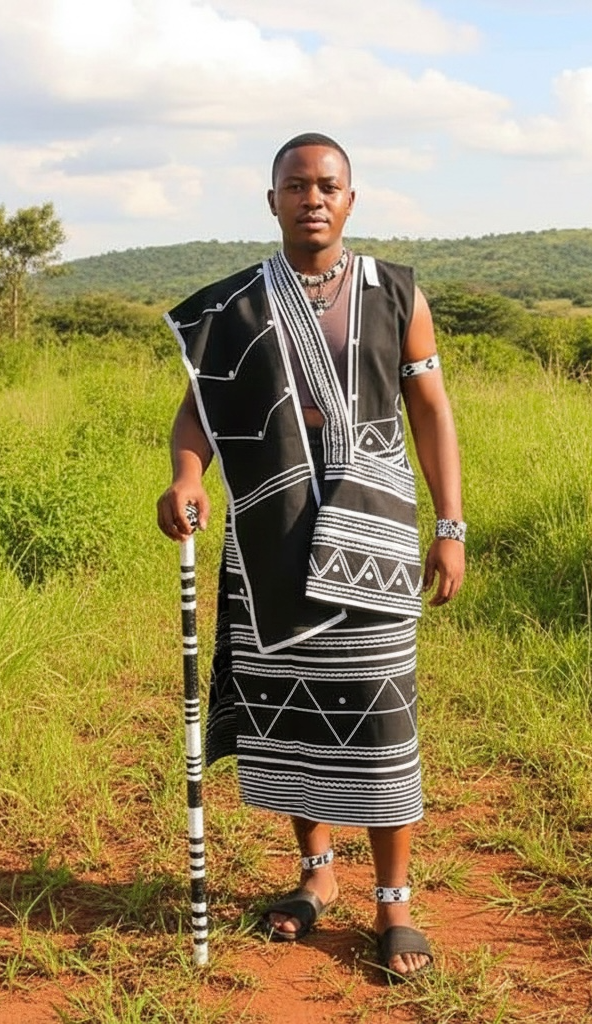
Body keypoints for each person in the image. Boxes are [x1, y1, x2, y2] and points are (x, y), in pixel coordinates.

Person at [157, 132, 464, 981]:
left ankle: (393, 901)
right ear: (273, 201)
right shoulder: (237, 307)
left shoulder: (396, 293)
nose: (313, 198)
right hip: (274, 527)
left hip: (376, 529)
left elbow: (431, 409)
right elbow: (200, 413)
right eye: (296, 186)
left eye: (328, 185)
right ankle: (317, 871)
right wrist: (187, 476)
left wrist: (450, 524)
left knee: (379, 712)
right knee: (294, 708)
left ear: (350, 200)